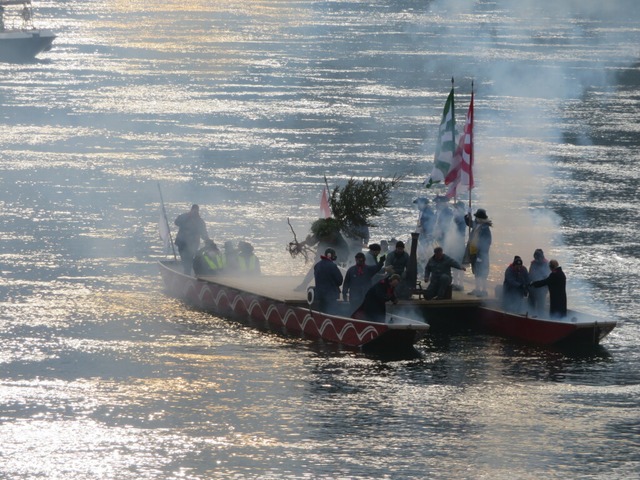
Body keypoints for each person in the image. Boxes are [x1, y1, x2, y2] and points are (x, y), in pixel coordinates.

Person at [174, 204, 212, 274]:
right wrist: (187, 216)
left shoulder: (199, 221)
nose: (195, 212)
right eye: (193, 211)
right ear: (191, 210)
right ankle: (186, 271)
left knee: (189, 259)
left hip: (193, 244)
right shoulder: (184, 217)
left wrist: (208, 241)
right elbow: (176, 222)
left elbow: (203, 233)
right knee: (185, 259)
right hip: (182, 243)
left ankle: (187, 272)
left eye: (196, 211)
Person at [465, 208, 492, 297]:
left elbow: (487, 242)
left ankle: (483, 290)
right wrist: (467, 217)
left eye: (476, 217)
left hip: (481, 254)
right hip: (474, 252)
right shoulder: (477, 225)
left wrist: (481, 255)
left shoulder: (485, 228)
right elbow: (470, 223)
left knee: (483, 272)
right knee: (476, 272)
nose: (475, 219)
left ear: (480, 218)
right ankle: (477, 289)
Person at [313, 248, 344, 315]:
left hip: (320, 294)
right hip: (331, 295)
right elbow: (340, 280)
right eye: (334, 255)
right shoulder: (332, 266)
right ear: (330, 255)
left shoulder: (317, 265)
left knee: (321, 313)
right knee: (331, 314)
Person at [448, 201, 467, 291]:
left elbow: (460, 231)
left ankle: (460, 283)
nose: (455, 210)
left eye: (457, 208)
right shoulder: (456, 218)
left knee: (460, 263)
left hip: (459, 243)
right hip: (454, 243)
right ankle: (455, 282)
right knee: (454, 263)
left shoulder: (462, 218)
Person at [528, 249, 550, 316]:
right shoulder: (533, 263)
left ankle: (540, 317)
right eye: (535, 258)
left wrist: (546, 289)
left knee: (541, 305)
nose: (536, 260)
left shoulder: (547, 264)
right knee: (531, 304)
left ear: (541, 257)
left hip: (542, 289)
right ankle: (530, 316)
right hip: (533, 288)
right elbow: (530, 274)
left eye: (537, 258)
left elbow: (548, 278)